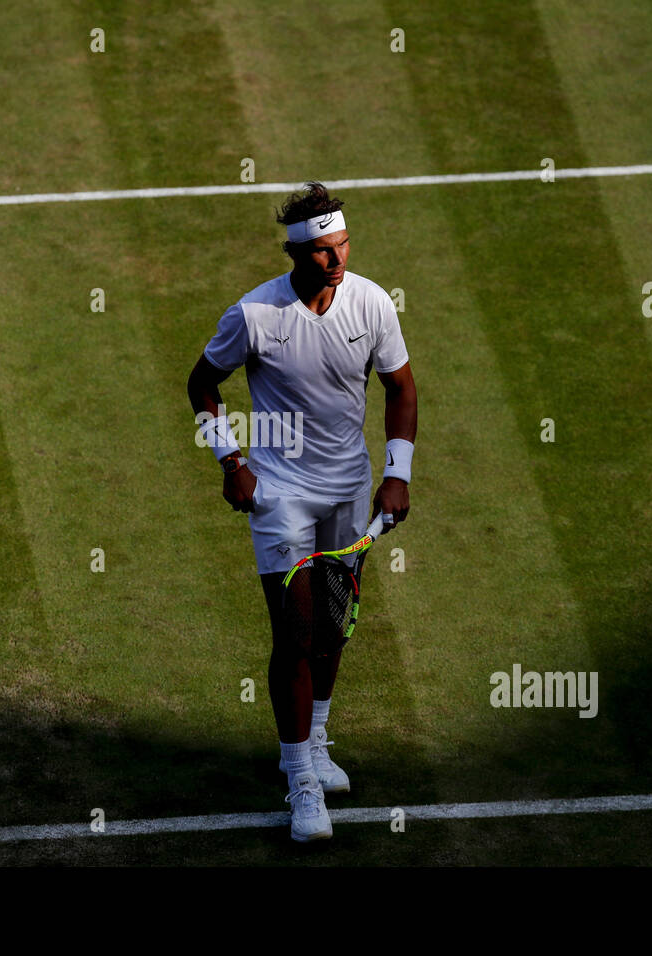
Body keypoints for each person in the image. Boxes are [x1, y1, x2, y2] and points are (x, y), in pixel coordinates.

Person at [186, 182, 418, 841]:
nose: (336, 260)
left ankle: (315, 739)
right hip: (280, 491)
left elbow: (400, 387)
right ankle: (301, 782)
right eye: (322, 251)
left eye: (342, 245)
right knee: (295, 632)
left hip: (350, 488)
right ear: (297, 255)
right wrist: (231, 461)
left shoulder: (371, 303)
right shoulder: (254, 315)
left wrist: (396, 474)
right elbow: (202, 385)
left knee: (334, 627)